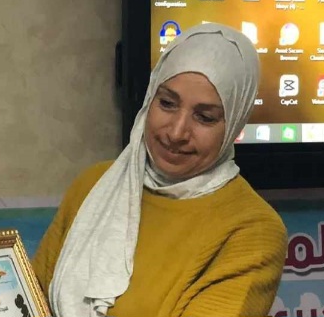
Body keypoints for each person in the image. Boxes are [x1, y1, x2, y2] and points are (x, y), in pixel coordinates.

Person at [32, 23, 287, 317]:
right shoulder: (93, 184)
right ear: (150, 97)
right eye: (167, 103)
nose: (177, 132)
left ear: (234, 123)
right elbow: (33, 296)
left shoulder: (253, 230)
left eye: (205, 117)